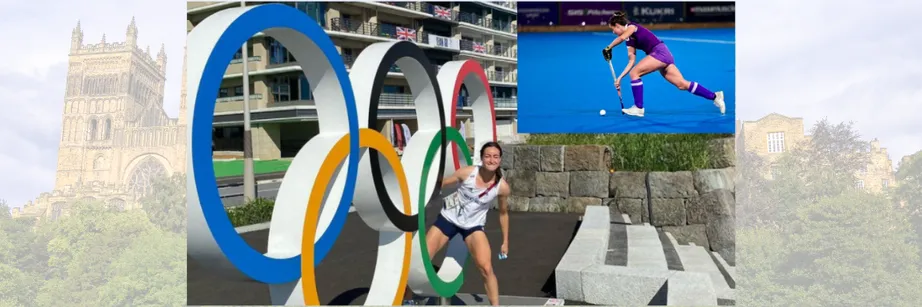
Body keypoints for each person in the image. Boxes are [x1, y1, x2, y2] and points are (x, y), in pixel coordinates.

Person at [403, 142, 511, 306]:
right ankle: (408, 299)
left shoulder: (502, 187)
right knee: (419, 259)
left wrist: (505, 241)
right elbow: (441, 184)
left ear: (500, 160)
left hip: (473, 227)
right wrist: (423, 177)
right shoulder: (468, 173)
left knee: (486, 268)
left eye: (495, 156)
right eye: (488, 156)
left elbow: (503, 214)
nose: (491, 160)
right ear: (482, 158)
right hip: (448, 220)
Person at [602, 11, 726, 117]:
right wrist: (620, 78)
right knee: (682, 84)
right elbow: (631, 61)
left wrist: (609, 47)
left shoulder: (631, 27)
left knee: (635, 73)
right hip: (662, 54)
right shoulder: (629, 41)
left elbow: (622, 37)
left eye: (613, 29)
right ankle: (715, 96)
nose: (613, 32)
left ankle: (639, 108)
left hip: (659, 52)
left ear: (618, 25)